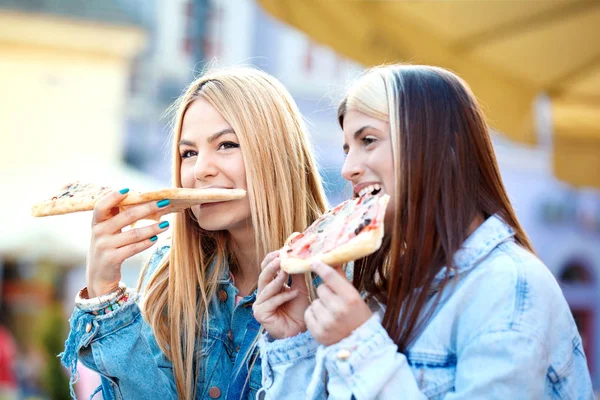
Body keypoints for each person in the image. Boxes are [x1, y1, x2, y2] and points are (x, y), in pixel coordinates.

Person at [253, 64, 594, 399]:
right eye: (347, 149)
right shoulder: (379, 285)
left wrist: (359, 343)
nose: (348, 169)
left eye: (368, 140)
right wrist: (295, 342)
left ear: (441, 147)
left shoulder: (508, 287)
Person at [60, 67, 328, 400]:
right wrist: (104, 294)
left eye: (227, 145)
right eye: (189, 153)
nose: (200, 170)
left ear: (277, 154)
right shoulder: (168, 279)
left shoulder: (343, 278)